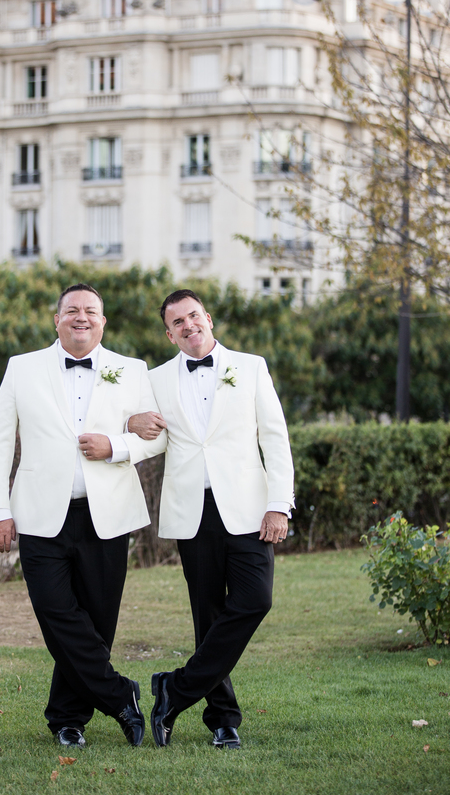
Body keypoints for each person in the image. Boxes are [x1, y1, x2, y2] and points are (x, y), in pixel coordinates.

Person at [0, 283, 166, 748]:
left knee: (97, 623)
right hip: (40, 515)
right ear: (57, 320)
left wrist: (116, 446)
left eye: (91, 311)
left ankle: (68, 719)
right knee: (56, 614)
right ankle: (120, 694)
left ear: (103, 322)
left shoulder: (131, 369)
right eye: (72, 310)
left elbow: (157, 435)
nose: (81, 316)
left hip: (108, 515)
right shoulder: (22, 368)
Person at [129, 288, 294, 749]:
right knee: (208, 616)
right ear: (169, 334)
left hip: (247, 509)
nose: (188, 325)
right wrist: (122, 435)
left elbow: (275, 439)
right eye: (177, 322)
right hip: (191, 512)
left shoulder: (251, 366)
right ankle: (223, 719)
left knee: (255, 600)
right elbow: (151, 440)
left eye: (194, 316)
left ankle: (175, 690)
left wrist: (279, 504)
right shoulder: (157, 379)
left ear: (209, 319)